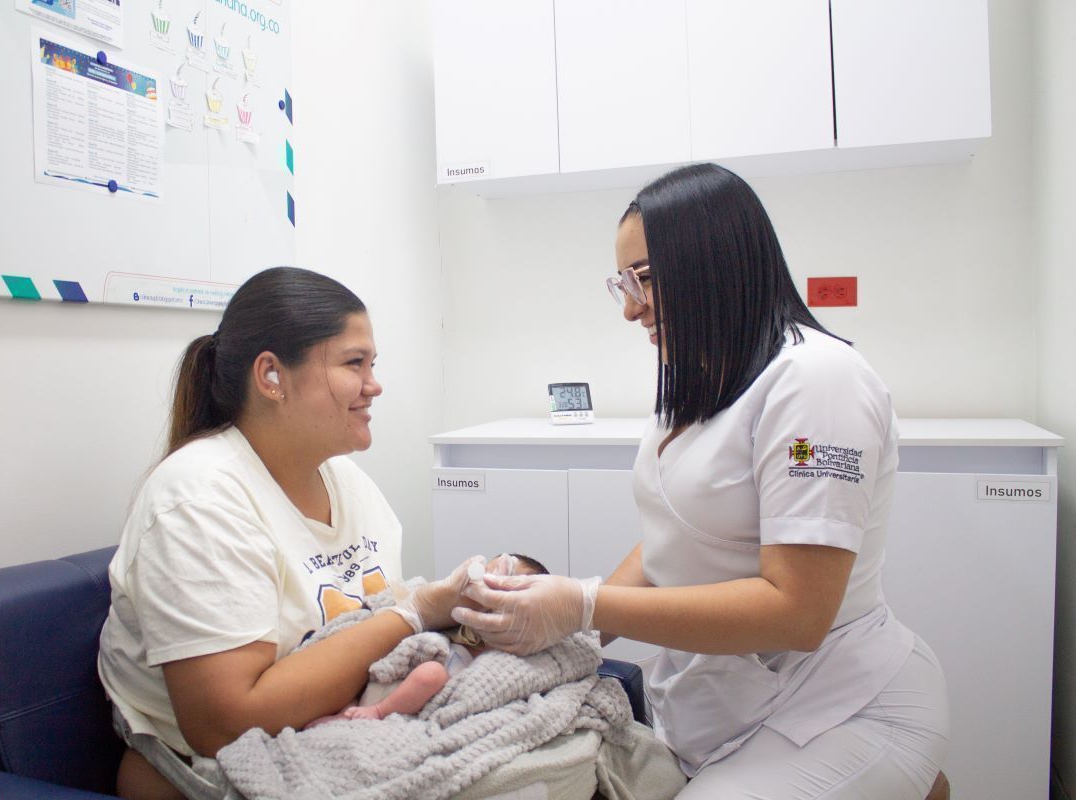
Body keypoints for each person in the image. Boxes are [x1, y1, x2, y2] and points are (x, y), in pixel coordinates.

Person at [455, 164, 951, 799]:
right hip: (730, 707)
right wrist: (567, 629)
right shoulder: (701, 377)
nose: (632, 309)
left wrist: (582, 602)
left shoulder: (818, 383)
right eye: (622, 284)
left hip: (841, 705)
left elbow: (798, 611)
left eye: (647, 279)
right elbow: (673, 542)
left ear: (713, 261)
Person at [97, 267, 478, 800]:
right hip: (228, 770)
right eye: (354, 363)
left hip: (342, 736)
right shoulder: (198, 498)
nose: (375, 385)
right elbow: (227, 725)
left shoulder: (346, 481)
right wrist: (413, 612)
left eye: (373, 364)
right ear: (271, 376)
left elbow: (375, 646)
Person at [305, 553, 550, 727]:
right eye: (489, 576)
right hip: (393, 672)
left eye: (507, 586)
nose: (490, 587)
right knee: (355, 669)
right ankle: (343, 714)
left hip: (419, 692)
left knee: (432, 673)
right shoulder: (459, 614)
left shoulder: (513, 641)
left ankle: (376, 711)